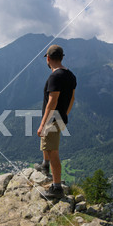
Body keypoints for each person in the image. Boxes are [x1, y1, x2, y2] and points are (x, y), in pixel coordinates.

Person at [35, 45, 77, 199]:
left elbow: (52, 102)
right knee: (47, 144)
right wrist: (64, 115)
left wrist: (42, 124)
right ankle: (44, 166)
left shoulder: (55, 77)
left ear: (48, 58)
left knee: (53, 151)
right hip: (60, 117)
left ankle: (57, 188)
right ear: (61, 57)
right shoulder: (70, 75)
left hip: (52, 119)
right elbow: (72, 98)